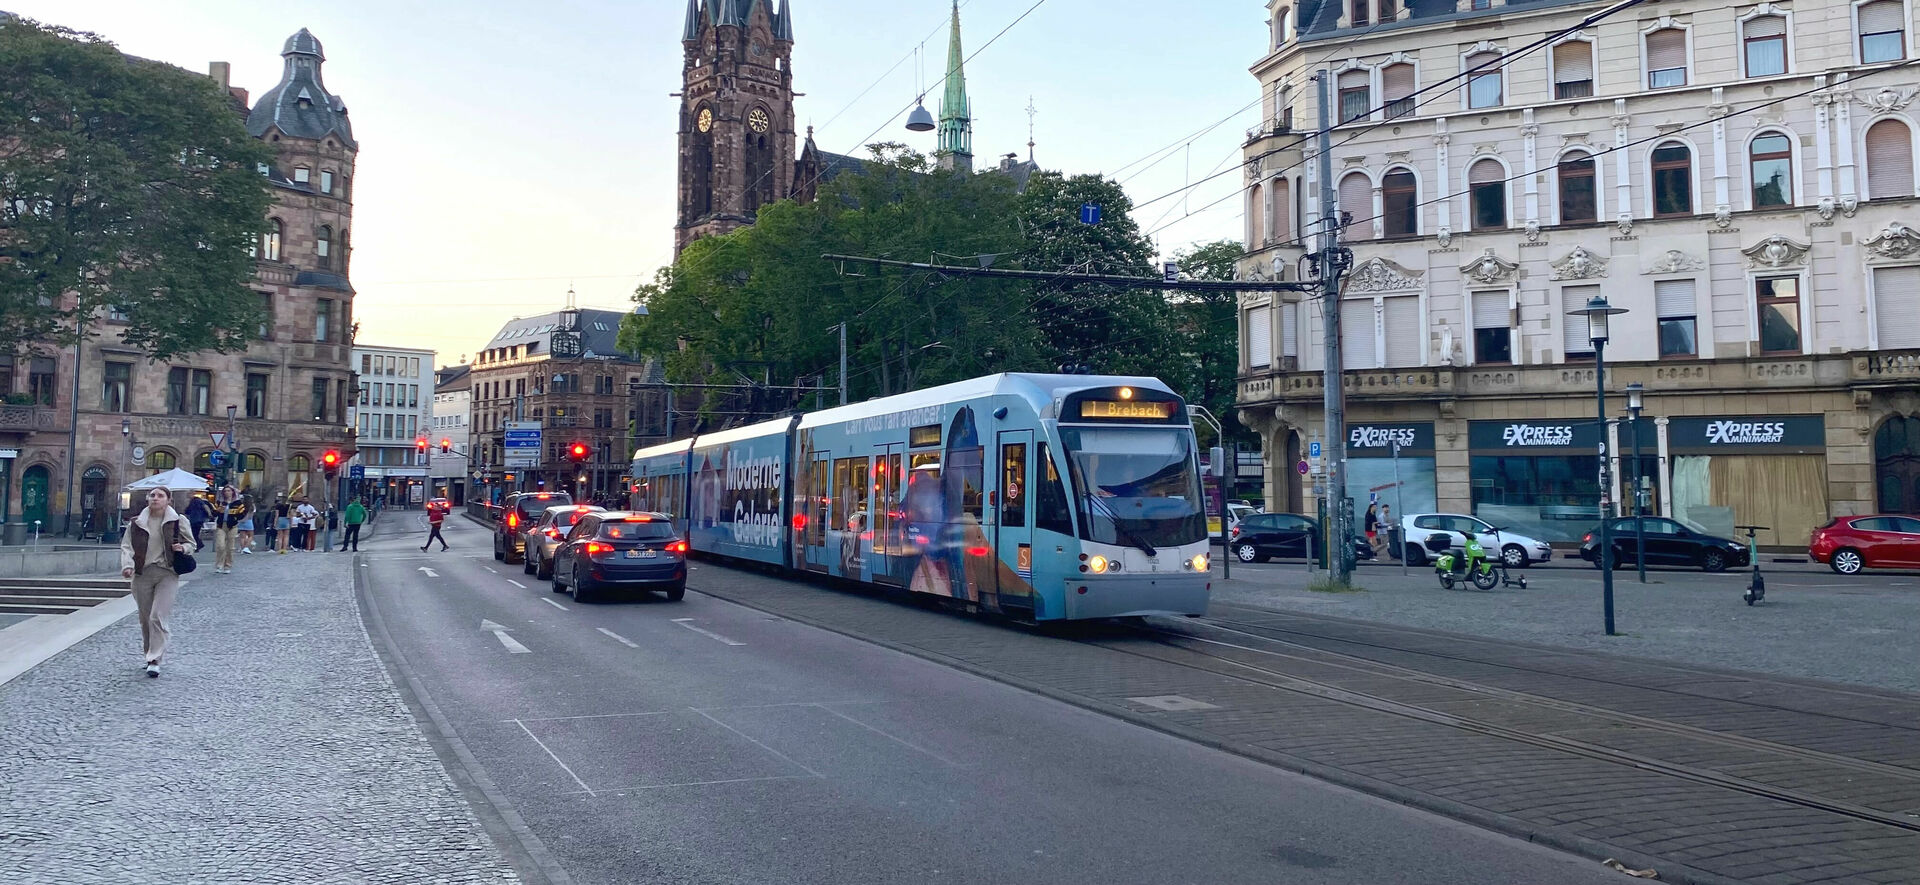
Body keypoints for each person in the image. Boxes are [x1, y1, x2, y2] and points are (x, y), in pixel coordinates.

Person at [119, 487, 197, 678]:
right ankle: (149, 655)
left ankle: (155, 659)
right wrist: (127, 565)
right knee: (145, 618)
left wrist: (183, 548)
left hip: (167, 573)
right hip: (141, 574)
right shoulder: (136, 523)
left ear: (168, 500)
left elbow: (192, 544)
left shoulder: (178, 521)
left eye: (160, 496)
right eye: (152, 495)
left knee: (157, 616)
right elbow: (126, 546)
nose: (155, 499)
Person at [212, 486, 248, 574]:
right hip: (221, 525)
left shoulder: (238, 503)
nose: (227, 493)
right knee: (220, 546)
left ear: (232, 492)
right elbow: (214, 513)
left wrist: (236, 517)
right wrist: (218, 510)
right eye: (225, 491)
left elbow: (243, 512)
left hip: (233, 526)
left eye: (229, 491)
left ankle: (227, 565)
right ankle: (219, 564)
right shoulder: (220, 502)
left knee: (230, 547)